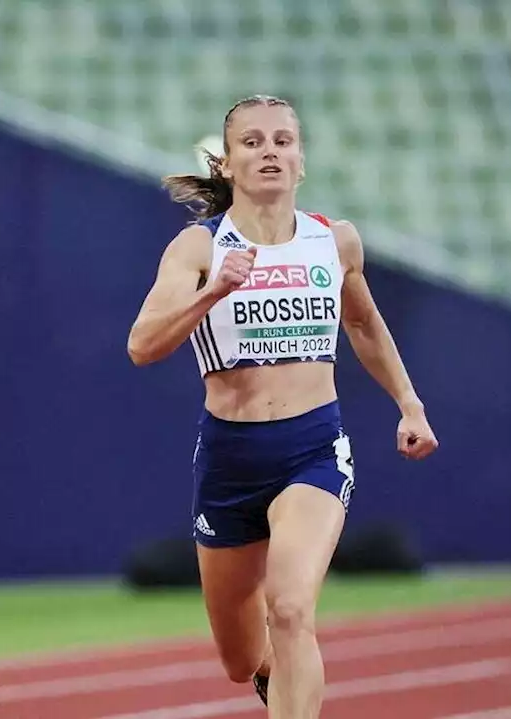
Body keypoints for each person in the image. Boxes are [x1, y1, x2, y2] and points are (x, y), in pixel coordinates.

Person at [126, 95, 438, 718]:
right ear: (228, 164)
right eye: (252, 142)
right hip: (229, 458)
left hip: (312, 450)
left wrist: (410, 404)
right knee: (240, 658)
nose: (269, 150)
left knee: (292, 608)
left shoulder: (335, 241)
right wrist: (213, 290)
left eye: (282, 140)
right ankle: (267, 670)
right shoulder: (197, 249)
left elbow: (366, 326)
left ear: (301, 161)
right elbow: (142, 345)